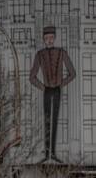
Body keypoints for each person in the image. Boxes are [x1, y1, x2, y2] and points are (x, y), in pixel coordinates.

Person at [29, 26, 76, 162]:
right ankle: (47, 153)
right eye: (46, 38)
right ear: (44, 40)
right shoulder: (40, 54)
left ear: (54, 38)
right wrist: (42, 87)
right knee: (47, 120)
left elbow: (72, 73)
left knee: (54, 119)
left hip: (56, 89)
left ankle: (53, 153)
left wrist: (62, 83)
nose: (49, 40)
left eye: (51, 38)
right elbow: (32, 77)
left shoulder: (62, 53)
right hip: (47, 90)